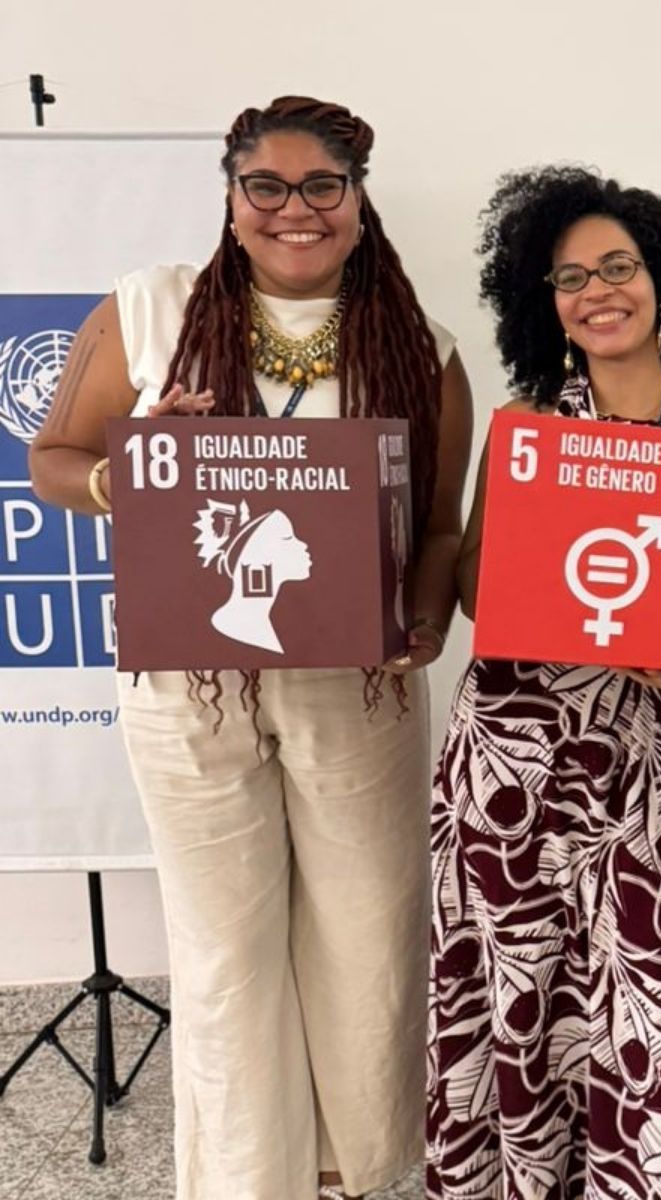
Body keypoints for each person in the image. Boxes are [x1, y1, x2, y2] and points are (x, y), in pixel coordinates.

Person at [23, 95, 463, 1200]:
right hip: (189, 687)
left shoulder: (424, 348)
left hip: (354, 685)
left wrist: (429, 614)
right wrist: (124, 475)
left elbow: (444, 526)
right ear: (230, 197)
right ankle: (244, 1183)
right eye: (265, 185)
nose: (293, 208)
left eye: (323, 185)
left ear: (360, 202)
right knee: (226, 956)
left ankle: (353, 1175)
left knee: (368, 943)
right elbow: (52, 458)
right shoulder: (151, 310)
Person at [429, 164, 661, 1198]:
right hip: (505, 763)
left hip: (633, 763)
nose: (596, 291)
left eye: (617, 266)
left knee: (643, 1004)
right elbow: (483, 593)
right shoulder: (525, 426)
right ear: (550, 305)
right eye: (569, 277)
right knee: (520, 1007)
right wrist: (556, 502)